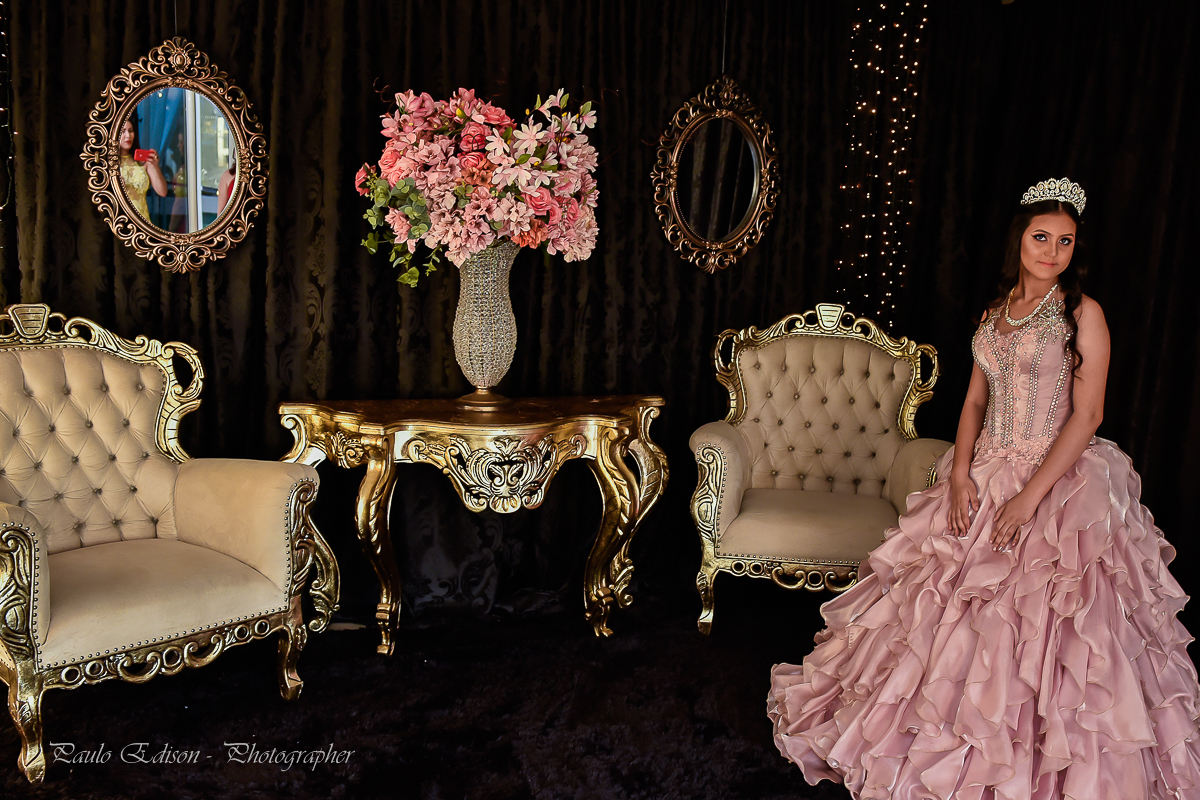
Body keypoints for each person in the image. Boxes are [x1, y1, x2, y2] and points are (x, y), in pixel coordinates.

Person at [767, 178, 1200, 800]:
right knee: (940, 611)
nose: (1052, 251)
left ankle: (1029, 762)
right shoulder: (994, 315)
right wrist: (960, 473)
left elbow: (1088, 416)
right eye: (1041, 237)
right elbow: (974, 402)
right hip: (985, 470)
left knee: (1050, 622)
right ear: (1019, 238)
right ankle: (935, 736)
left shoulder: (1083, 313)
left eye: (1065, 241)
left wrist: (1028, 498)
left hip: (1059, 482)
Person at [118, 119, 168, 221]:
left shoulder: (143, 161)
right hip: (120, 221)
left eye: (130, 131)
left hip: (143, 220)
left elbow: (162, 192)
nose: (128, 135)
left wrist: (155, 166)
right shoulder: (109, 164)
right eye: (122, 131)